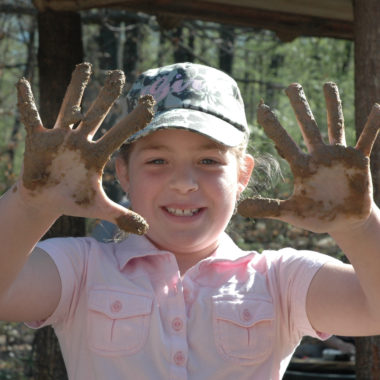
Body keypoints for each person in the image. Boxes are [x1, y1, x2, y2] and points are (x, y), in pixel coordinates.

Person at [0, 61, 380, 380]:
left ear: (243, 174)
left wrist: (359, 226)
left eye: (209, 161)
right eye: (157, 161)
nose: (184, 183)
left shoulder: (282, 280)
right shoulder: (81, 268)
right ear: (123, 173)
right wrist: (28, 205)